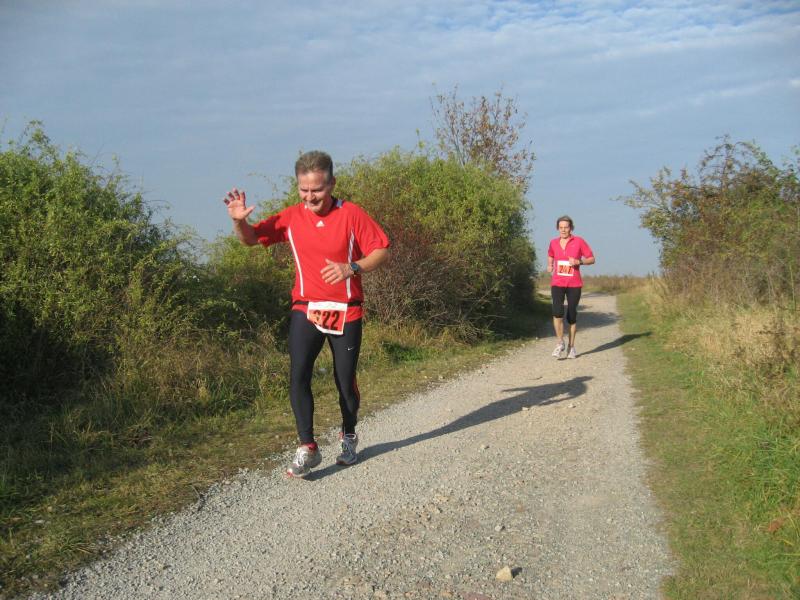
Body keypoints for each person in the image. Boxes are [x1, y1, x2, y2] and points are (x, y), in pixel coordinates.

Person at [223, 151, 390, 478]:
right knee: (298, 373)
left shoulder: (351, 214)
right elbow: (251, 239)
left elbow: (381, 250)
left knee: (344, 381)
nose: (310, 197)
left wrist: (351, 267)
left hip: (346, 310)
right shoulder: (291, 217)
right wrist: (239, 221)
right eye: (304, 190)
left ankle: (349, 435)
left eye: (317, 190)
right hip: (307, 307)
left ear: (332, 184)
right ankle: (308, 447)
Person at [546, 215, 595, 359]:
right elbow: (550, 255)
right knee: (557, 312)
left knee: (571, 315)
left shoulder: (579, 241)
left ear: (571, 228)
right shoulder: (553, 242)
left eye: (566, 227)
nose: (563, 230)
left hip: (574, 284)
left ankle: (571, 347)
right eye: (561, 227)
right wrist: (550, 265)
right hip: (557, 283)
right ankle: (560, 343)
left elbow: (592, 258)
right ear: (557, 228)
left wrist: (579, 262)